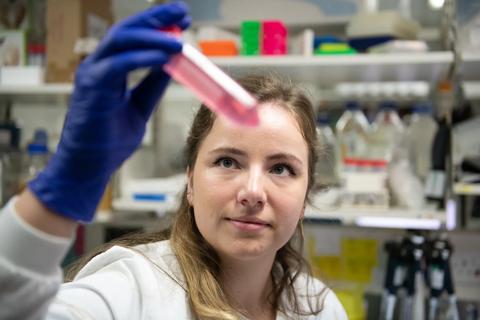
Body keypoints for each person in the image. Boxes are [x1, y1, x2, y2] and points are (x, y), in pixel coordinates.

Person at [0, 2, 347, 319]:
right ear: (191, 182)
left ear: (305, 198)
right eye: (228, 162)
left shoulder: (318, 306)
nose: (252, 191)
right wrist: (62, 189)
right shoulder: (134, 287)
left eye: (281, 168)